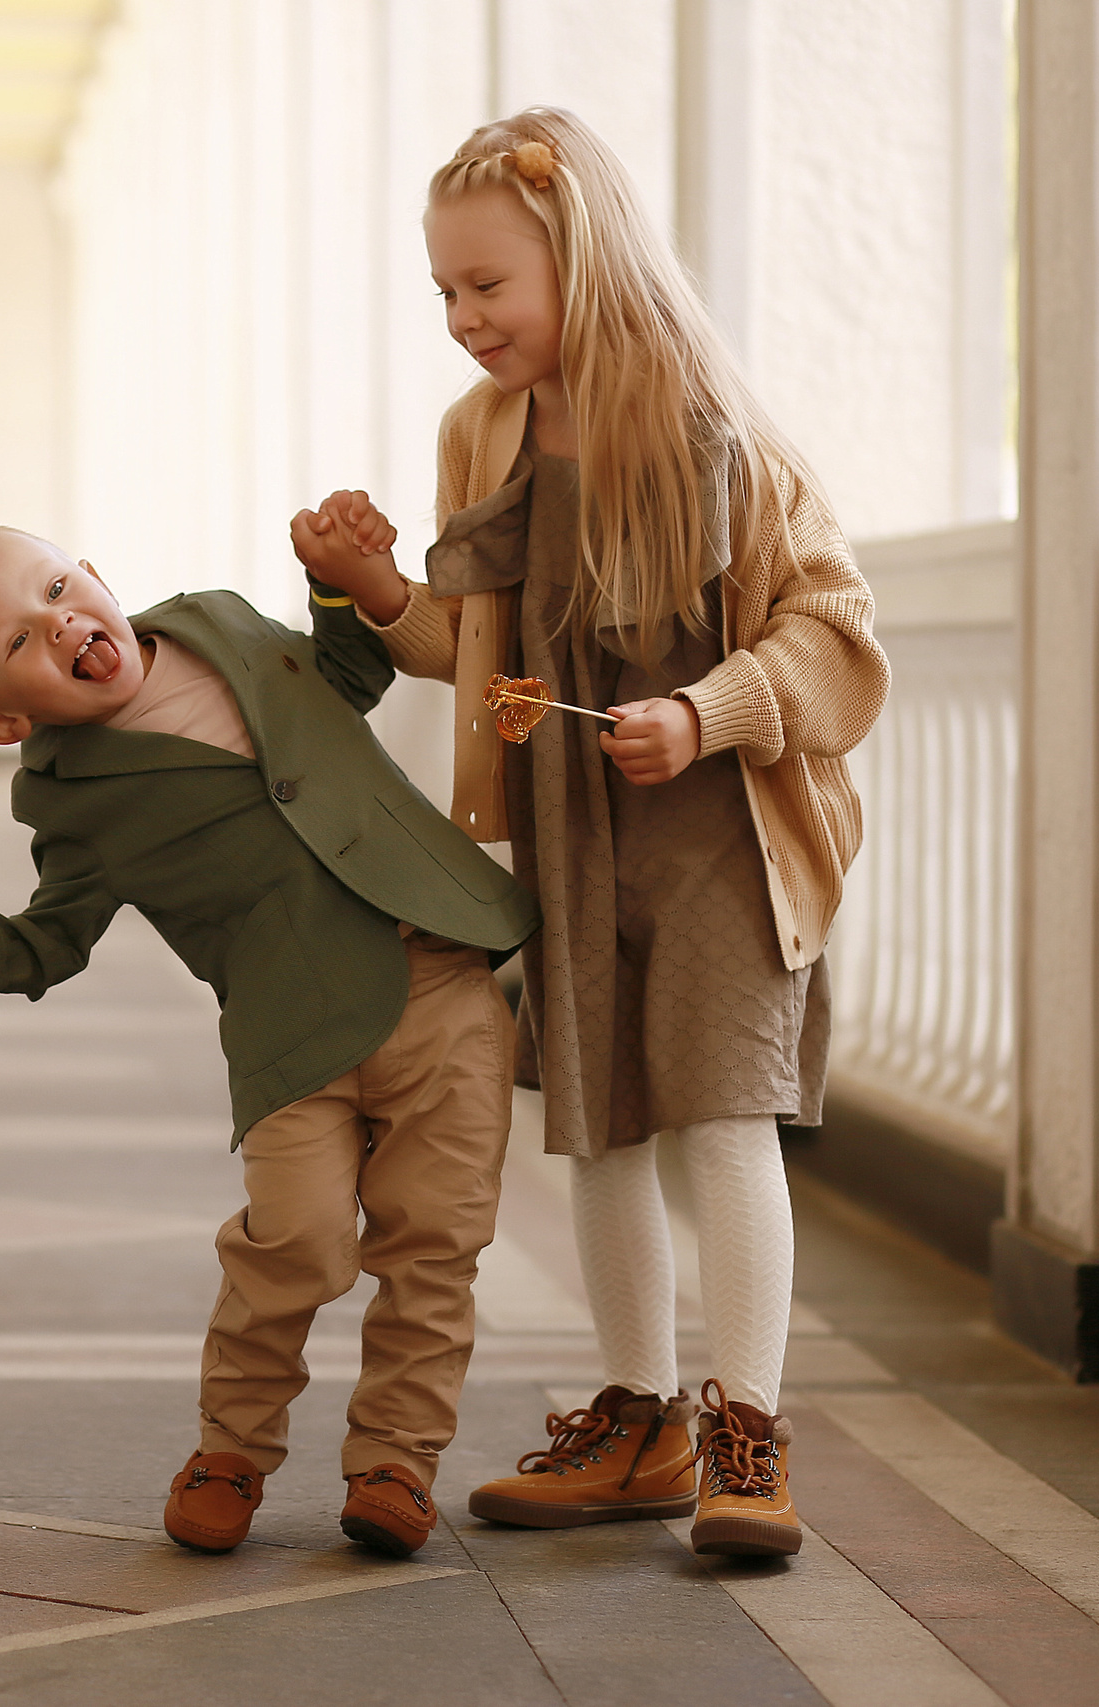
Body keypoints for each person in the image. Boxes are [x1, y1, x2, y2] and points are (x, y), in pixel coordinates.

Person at [293, 107, 888, 1558]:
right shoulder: (480, 433)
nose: (462, 318)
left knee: (724, 1117)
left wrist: (707, 712)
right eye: (443, 290)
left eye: (487, 285)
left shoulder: (721, 433)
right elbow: (469, 646)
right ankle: (637, 1418)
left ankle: (747, 1423)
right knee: (599, 1126)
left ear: (587, 256)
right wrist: (374, 584)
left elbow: (834, 637)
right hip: (567, 827)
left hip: (721, 833)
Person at [0, 525, 539, 1558]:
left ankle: (397, 1460)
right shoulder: (69, 794)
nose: (62, 622)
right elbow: (56, 930)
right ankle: (232, 1448)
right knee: (294, 1245)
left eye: (57, 586)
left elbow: (341, 680)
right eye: (20, 639)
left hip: (438, 971)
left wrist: (339, 587)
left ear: (95, 569)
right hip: (290, 1027)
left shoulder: (220, 623)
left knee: (434, 1246)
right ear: (1, 722)